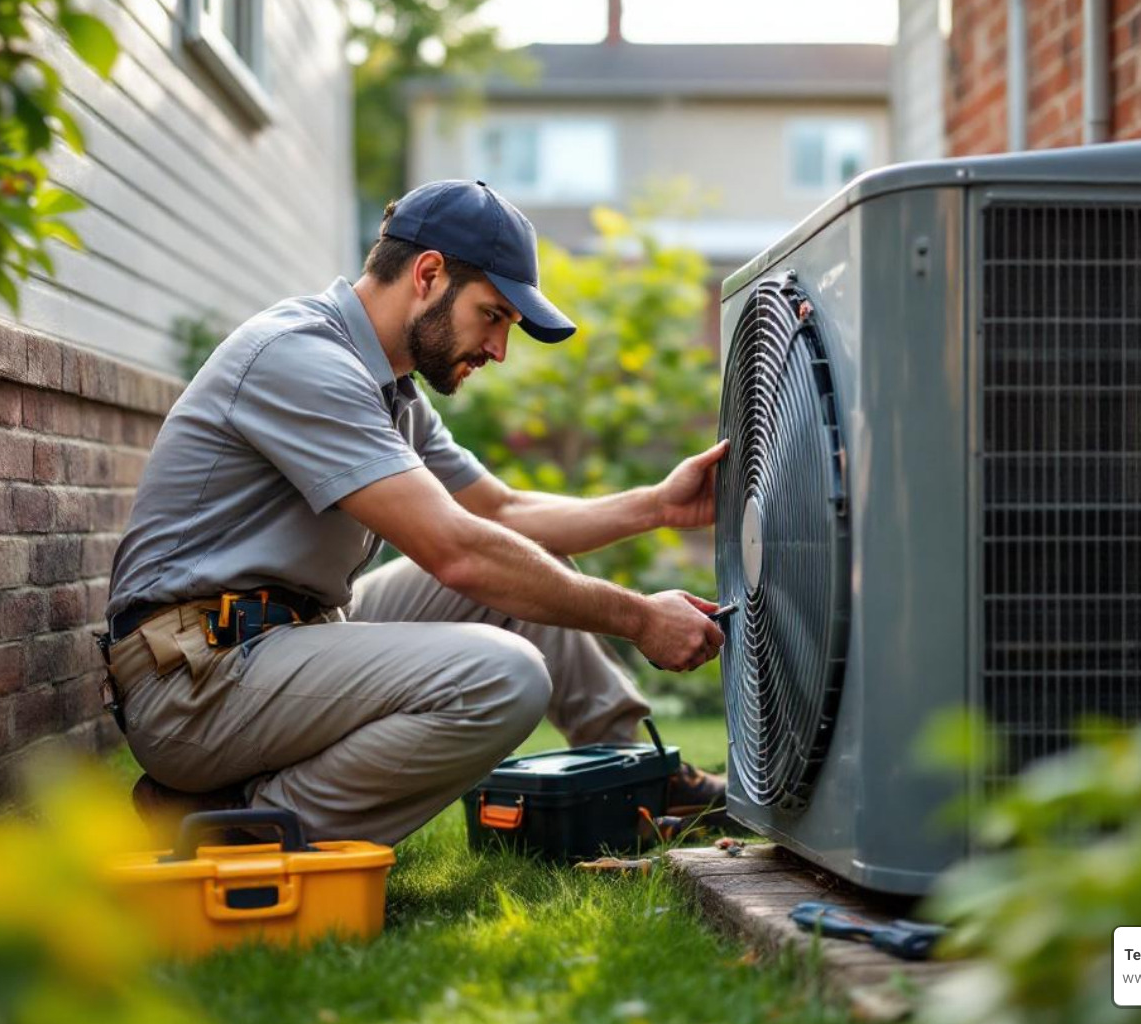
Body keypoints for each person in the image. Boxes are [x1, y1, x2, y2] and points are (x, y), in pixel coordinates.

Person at [100, 179, 729, 845]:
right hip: (197, 679)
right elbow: (458, 553)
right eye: (493, 316)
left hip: (291, 635)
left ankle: (634, 774)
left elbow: (502, 512)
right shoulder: (301, 357)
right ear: (428, 275)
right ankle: (239, 826)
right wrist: (640, 619)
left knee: (526, 565)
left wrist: (658, 505)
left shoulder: (392, 391)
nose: (498, 350)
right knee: (503, 676)